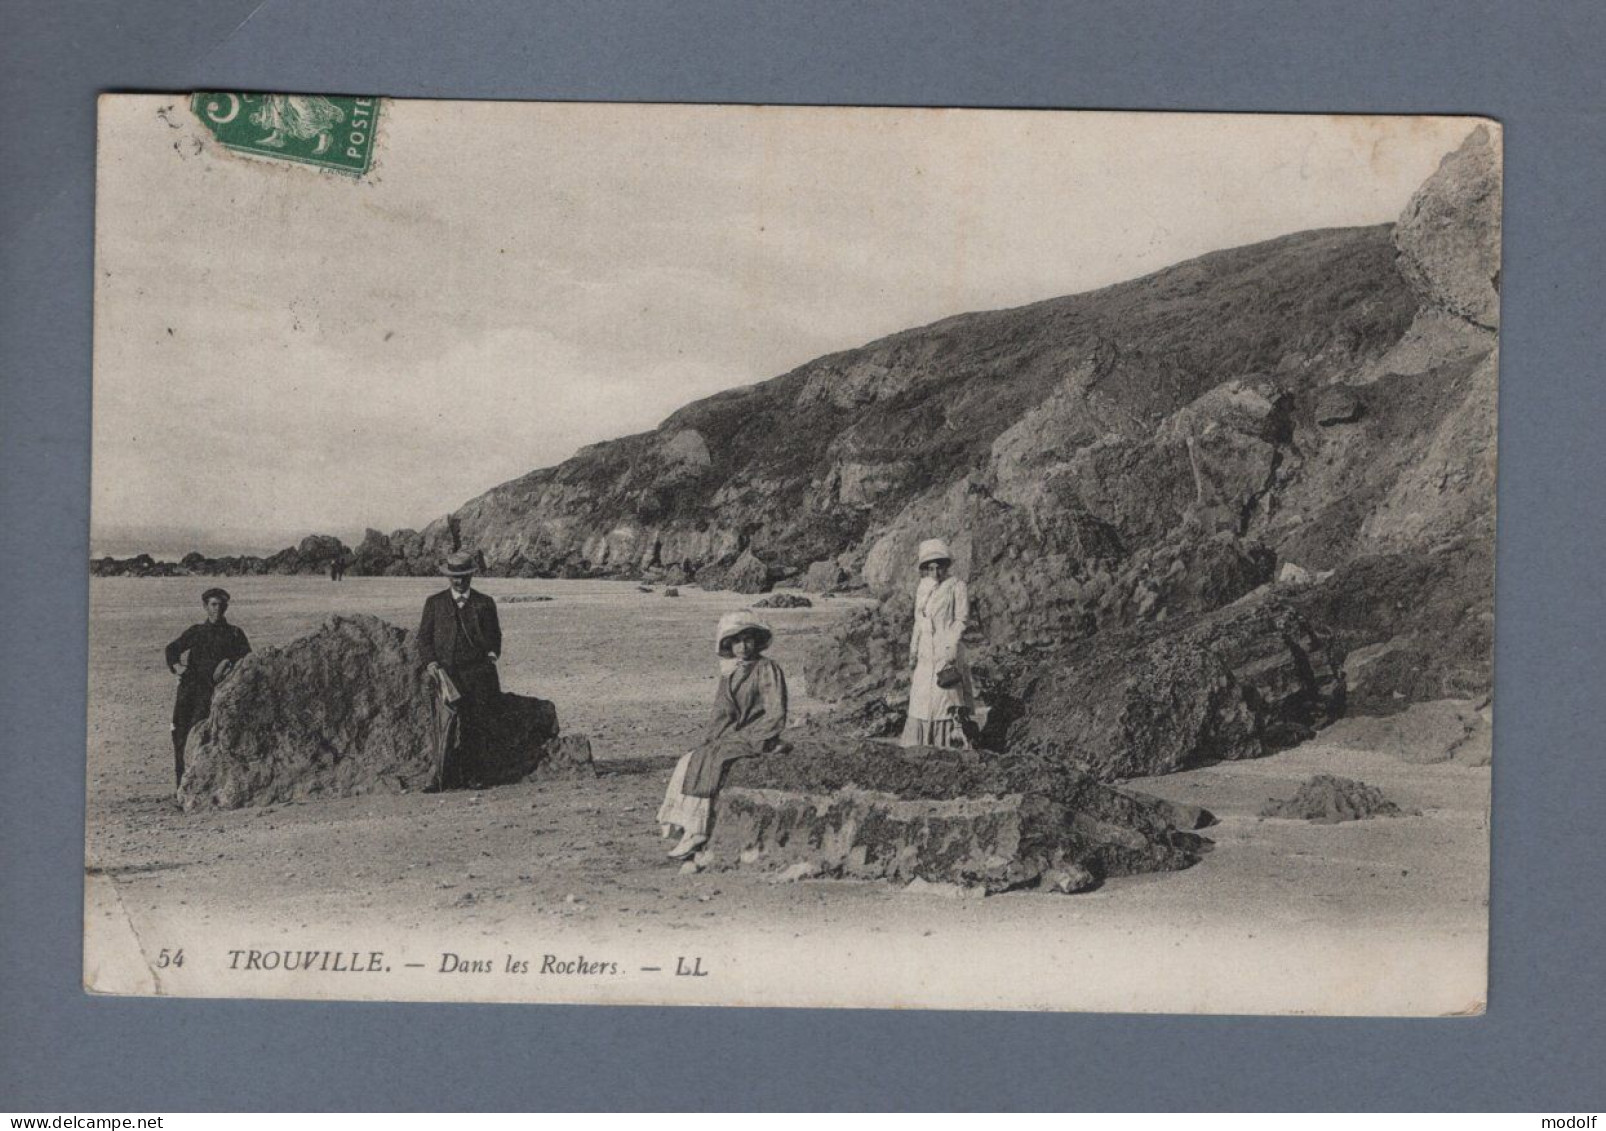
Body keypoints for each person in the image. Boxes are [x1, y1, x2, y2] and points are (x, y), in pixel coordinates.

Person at [657, 611, 789, 860]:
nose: (743, 646)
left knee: (713, 762)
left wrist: (756, 738)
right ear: (729, 645)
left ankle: (698, 829)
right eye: (736, 641)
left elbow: (775, 712)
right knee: (690, 759)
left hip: (756, 734)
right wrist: (713, 737)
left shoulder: (767, 669)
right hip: (732, 734)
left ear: (757, 641)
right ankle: (683, 825)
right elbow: (720, 712)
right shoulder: (729, 673)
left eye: (748, 639)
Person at [416, 550, 503, 789]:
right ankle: (441, 779)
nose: (459, 581)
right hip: (446, 675)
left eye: (464, 576)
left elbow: (495, 635)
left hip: (478, 675)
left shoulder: (484, 603)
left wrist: (492, 655)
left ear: (471, 576)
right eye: (455, 576)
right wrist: (431, 662)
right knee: (442, 728)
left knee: (475, 726)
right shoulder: (434, 603)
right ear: (448, 577)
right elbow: (423, 638)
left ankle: (474, 777)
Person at [164, 587, 252, 788]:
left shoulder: (235, 634)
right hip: (189, 691)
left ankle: (202, 788)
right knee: (180, 736)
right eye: (213, 604)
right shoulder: (196, 632)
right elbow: (172, 649)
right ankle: (180, 788)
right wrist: (178, 667)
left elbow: (247, 661)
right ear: (205, 607)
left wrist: (229, 666)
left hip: (214, 693)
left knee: (202, 738)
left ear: (226, 607)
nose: (217, 609)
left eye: (221, 605)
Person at [900, 538, 976, 749]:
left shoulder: (956, 586)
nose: (935, 573)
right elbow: (918, 621)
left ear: (946, 565)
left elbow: (961, 619)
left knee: (947, 696)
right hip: (925, 652)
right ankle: (921, 744)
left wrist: (951, 645)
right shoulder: (923, 588)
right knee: (922, 699)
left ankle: (949, 743)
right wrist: (913, 651)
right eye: (930, 568)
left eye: (939, 567)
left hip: (946, 649)